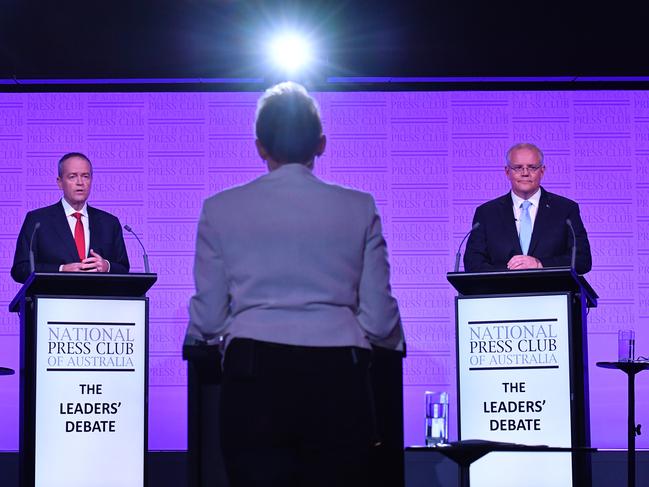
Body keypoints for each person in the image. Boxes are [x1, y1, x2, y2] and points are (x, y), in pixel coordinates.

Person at [186, 82, 403, 487]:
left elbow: (210, 319)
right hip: (340, 376)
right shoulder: (359, 206)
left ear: (259, 147)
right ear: (321, 143)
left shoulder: (219, 208)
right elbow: (378, 318)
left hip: (252, 375)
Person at [464, 142, 592, 274]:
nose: (525, 173)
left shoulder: (565, 209)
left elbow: (582, 260)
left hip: (552, 291)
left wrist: (539, 264)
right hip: (502, 291)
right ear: (507, 172)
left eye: (532, 167)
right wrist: (513, 270)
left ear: (542, 171)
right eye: (518, 168)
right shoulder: (487, 213)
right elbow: (473, 264)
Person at [11, 152, 130, 283]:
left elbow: (123, 268)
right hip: (52, 299)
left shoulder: (109, 223)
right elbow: (20, 269)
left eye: (86, 176)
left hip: (98, 299)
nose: (80, 182)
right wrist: (61, 270)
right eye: (72, 177)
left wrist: (107, 266)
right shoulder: (37, 220)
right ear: (60, 182)